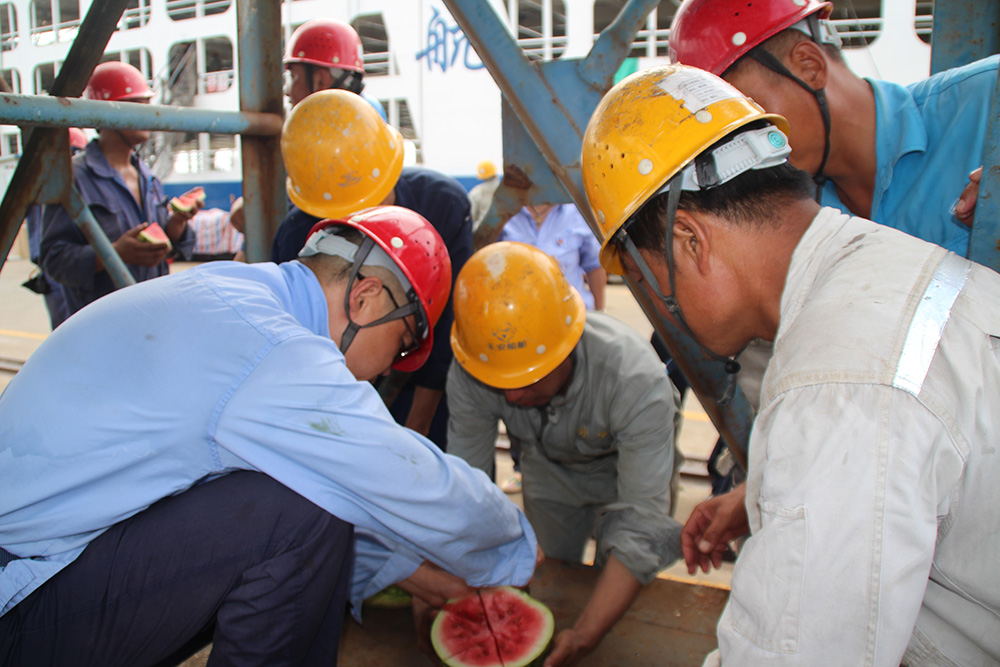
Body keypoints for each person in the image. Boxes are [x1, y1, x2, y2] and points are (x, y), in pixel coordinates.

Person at [581, 63, 1000, 666]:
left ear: (690, 241)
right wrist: (768, 492)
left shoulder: (834, 385)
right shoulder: (884, 264)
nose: (664, 312)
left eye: (647, 282)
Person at [0, 205, 539, 666]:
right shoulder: (272, 348)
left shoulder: (235, 293)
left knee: (298, 489)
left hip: (42, 566)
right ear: (367, 297)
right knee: (303, 512)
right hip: (21, 605)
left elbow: (261, 505)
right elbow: (403, 473)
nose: (386, 369)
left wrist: (406, 571)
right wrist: (514, 549)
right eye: (400, 346)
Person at [447, 241, 683, 667]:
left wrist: (587, 635)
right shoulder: (476, 362)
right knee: (550, 580)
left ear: (567, 346)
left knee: (622, 589)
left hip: (625, 473)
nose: (512, 396)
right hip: (548, 467)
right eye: (501, 381)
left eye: (528, 378)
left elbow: (642, 527)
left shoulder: (635, 379)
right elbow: (468, 488)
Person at [668, 0, 998, 257]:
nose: (743, 146)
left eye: (747, 113)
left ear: (808, 65)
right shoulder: (792, 219)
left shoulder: (989, 100)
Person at [274, 89, 473, 451]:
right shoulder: (295, 233)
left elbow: (447, 327)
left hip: (426, 382)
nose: (355, 225)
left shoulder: (442, 205)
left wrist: (417, 428)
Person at [38, 62, 201, 327]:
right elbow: (53, 260)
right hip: (103, 325)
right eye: (137, 105)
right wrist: (113, 254)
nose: (148, 114)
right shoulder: (74, 178)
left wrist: (177, 223)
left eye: (147, 104)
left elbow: (166, 241)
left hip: (152, 319)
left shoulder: (148, 176)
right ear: (105, 112)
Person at [21, 127, 88, 328]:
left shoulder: (64, 184)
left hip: (69, 268)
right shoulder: (47, 187)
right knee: (68, 330)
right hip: (57, 273)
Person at [500, 203, 607, 312]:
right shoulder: (502, 209)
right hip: (516, 313)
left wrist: (600, 310)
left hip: (572, 312)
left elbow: (594, 265)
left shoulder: (577, 212)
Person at [468, 159, 501, 230]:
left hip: (482, 231)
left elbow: (471, 215)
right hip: (505, 232)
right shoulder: (507, 191)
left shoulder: (477, 192)